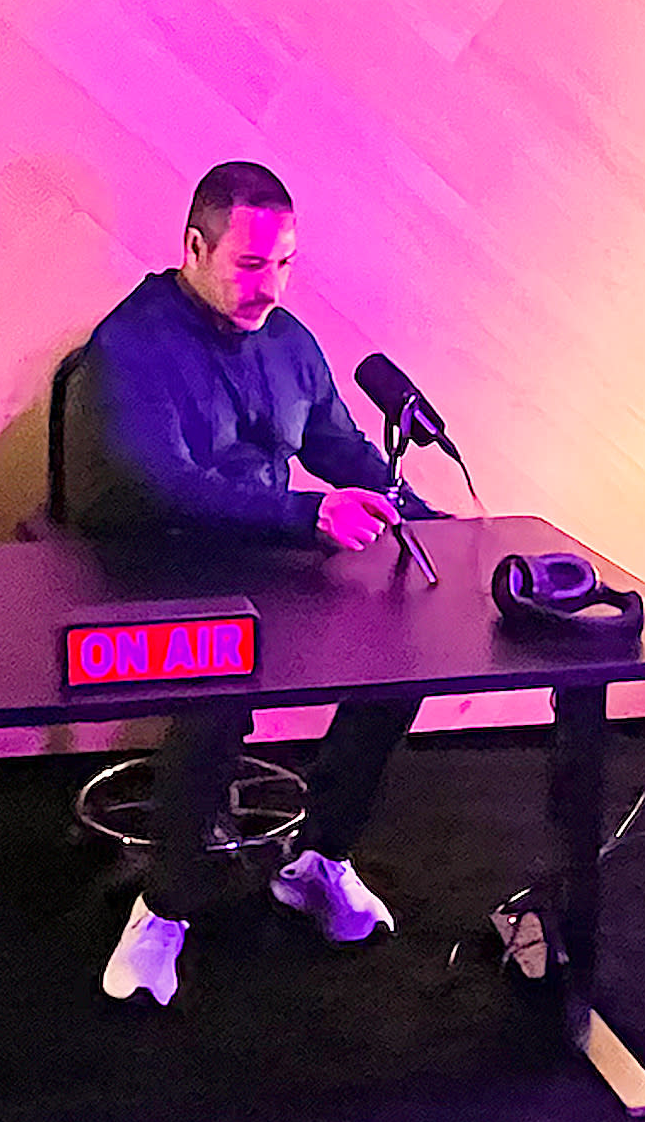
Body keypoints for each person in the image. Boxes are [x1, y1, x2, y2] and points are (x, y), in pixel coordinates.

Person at [67, 160, 438, 1007]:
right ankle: (163, 909)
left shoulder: (291, 343)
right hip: (151, 564)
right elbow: (165, 485)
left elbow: (340, 450)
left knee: (400, 658)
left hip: (264, 552)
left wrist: (432, 521)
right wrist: (308, 518)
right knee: (220, 682)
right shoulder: (132, 344)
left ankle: (321, 860)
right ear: (195, 246)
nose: (269, 287)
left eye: (283, 264)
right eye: (249, 265)